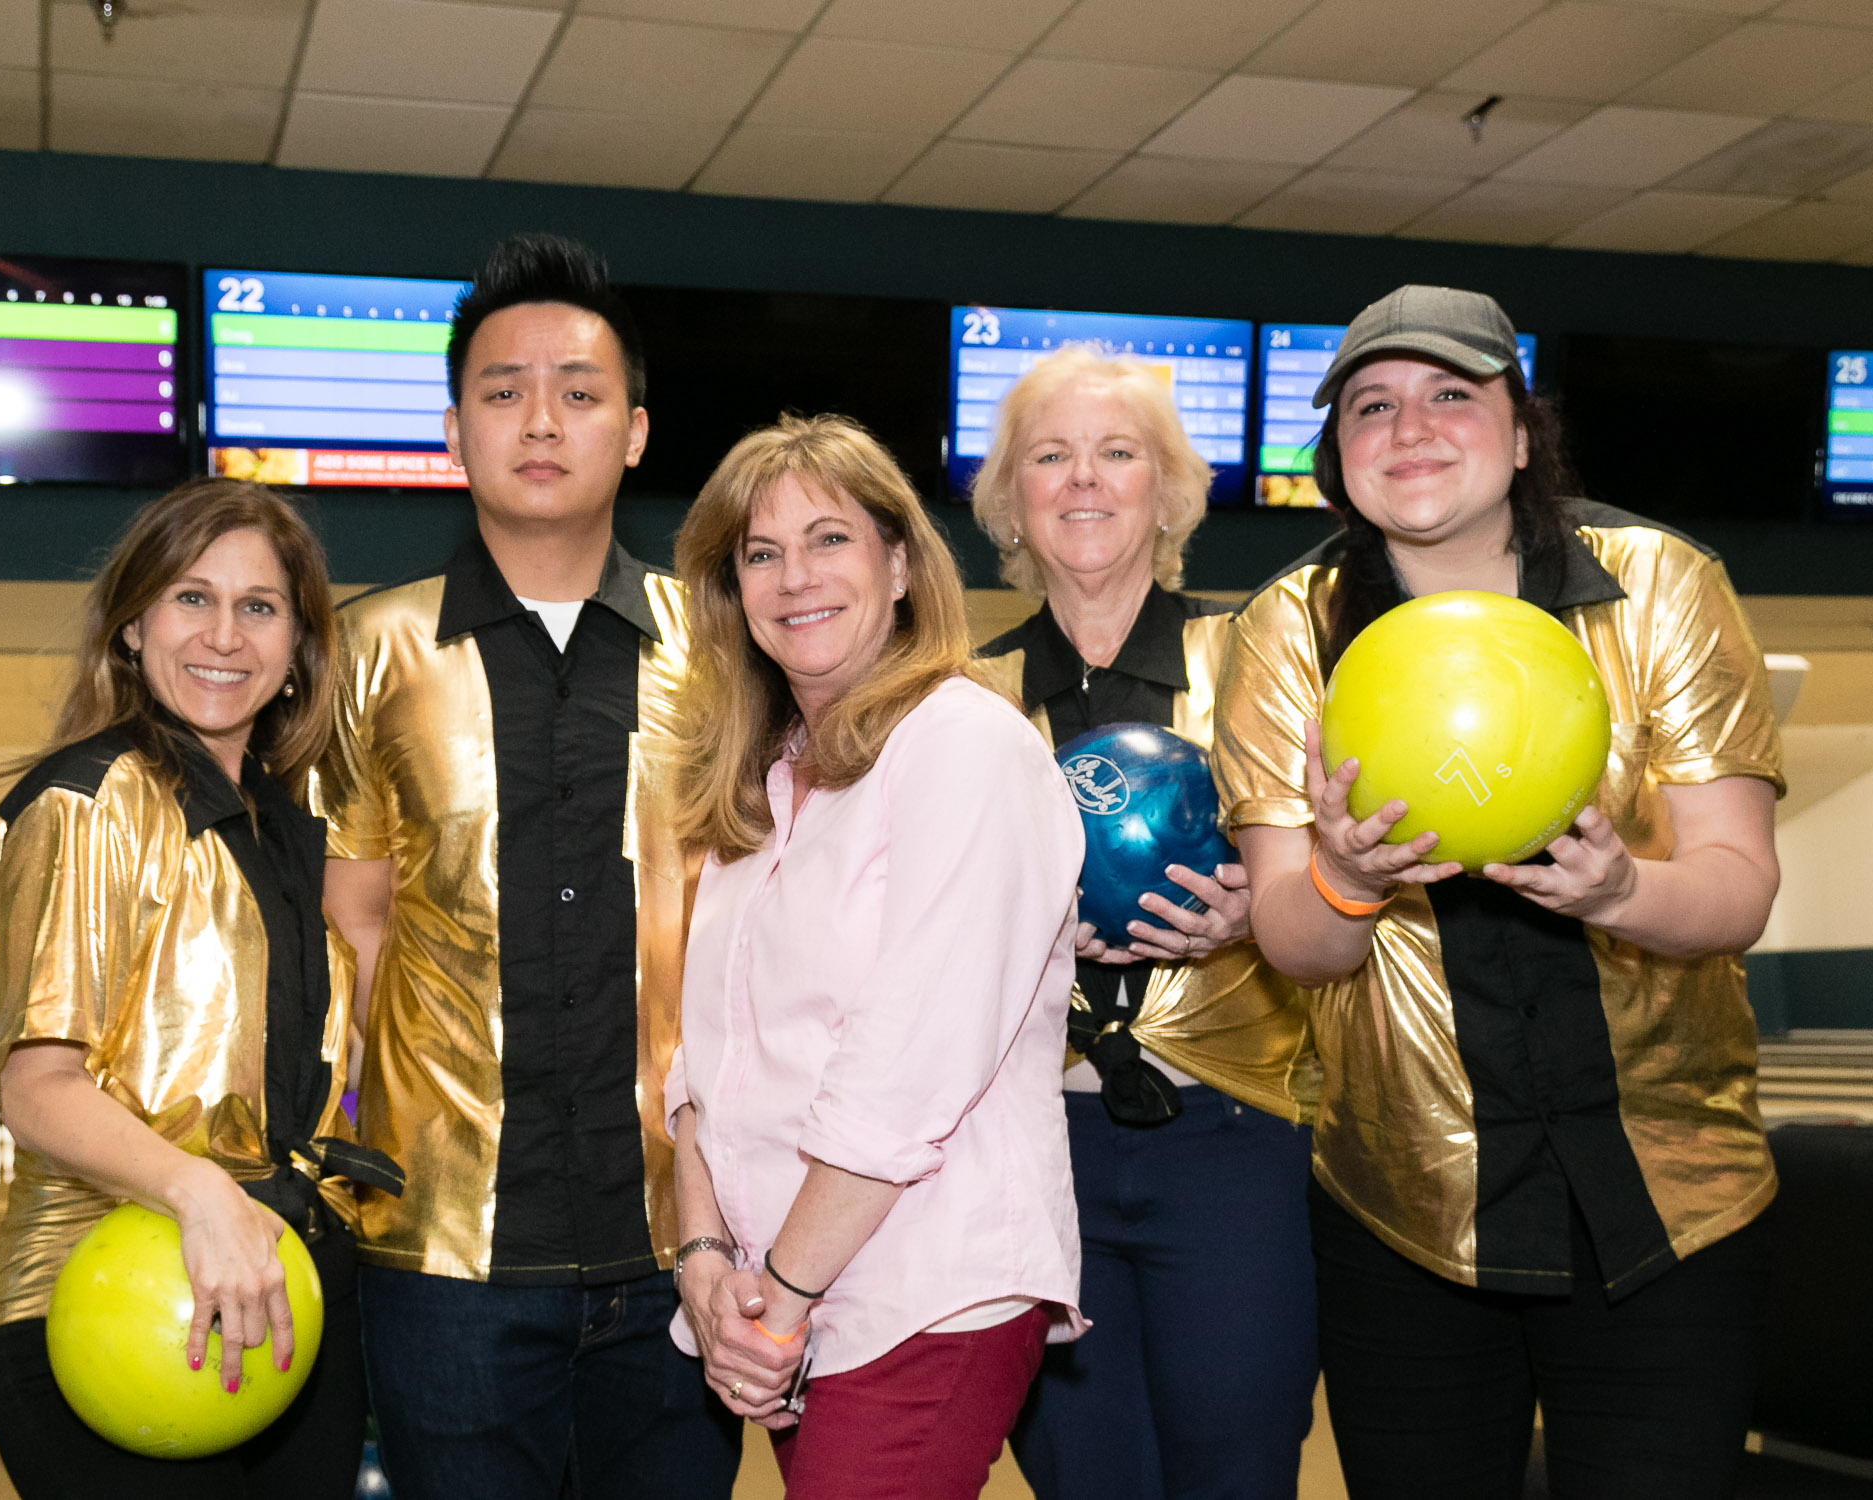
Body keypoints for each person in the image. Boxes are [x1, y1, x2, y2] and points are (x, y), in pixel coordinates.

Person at [1215, 285, 1785, 1500]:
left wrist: (1622, 889)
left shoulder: (1660, 584)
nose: (1409, 427)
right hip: (1407, 1213)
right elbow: (1292, 941)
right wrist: (1347, 877)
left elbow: (1738, 888)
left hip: (1669, 1203)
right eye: (1372, 406)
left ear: (1522, 433)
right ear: (1339, 458)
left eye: (1450, 396)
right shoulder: (1284, 632)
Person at [315, 234, 739, 1498]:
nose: (539, 420)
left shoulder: (720, 657)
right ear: (455, 429)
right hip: (444, 1259)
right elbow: (357, 924)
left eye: (579, 392)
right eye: (502, 392)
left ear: (637, 430)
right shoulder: (366, 653)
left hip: (682, 1245)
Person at [663, 414, 1086, 1500]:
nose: (794, 576)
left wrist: (782, 1297)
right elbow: (702, 1063)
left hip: (919, 1295)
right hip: (784, 1301)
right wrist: (707, 1265)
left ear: (900, 563)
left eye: (830, 539)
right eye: (761, 554)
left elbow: (907, 1071)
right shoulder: (766, 780)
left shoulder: (966, 747)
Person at [0, 478, 400, 1499]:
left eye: (260, 607)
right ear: (132, 625)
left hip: (288, 1298)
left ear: (299, 643)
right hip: (105, 1302)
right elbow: (38, 1085)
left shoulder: (292, 825)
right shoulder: (85, 805)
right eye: (190, 598)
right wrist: (197, 1190)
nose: (226, 634)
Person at [972, 348, 1319, 1500]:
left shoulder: (1262, 663)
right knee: (1086, 1478)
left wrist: (1261, 913)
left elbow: (1350, 888)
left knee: (1238, 1471)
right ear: (1010, 496)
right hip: (1032, 1147)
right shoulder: (960, 697)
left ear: (1167, 491)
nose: (1084, 480)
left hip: (1232, 1144)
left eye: (1118, 453)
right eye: (1050, 456)